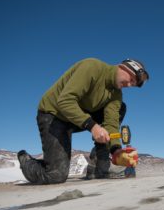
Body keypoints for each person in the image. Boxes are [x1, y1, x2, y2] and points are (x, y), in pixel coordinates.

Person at [17, 58, 149, 184]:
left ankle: (100, 165)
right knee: (55, 175)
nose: (129, 85)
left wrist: (116, 151)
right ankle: (26, 160)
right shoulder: (92, 67)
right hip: (53, 115)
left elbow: (111, 123)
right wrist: (93, 127)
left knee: (121, 108)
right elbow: (65, 101)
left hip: (77, 117)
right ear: (123, 67)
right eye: (131, 79)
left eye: (133, 84)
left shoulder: (116, 93)